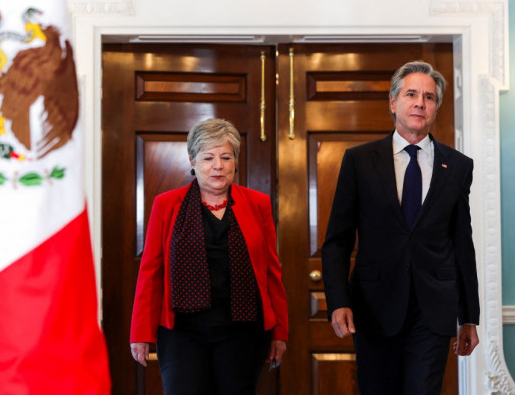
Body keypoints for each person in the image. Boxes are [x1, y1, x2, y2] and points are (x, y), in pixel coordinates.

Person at [321, 60, 480, 394]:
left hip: (433, 312)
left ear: (435, 108)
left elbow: (462, 243)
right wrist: (337, 301)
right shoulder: (360, 161)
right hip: (374, 308)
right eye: (411, 94)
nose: (420, 102)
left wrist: (469, 317)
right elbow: (337, 240)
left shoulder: (458, 166)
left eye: (429, 97)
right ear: (393, 103)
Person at [129, 118, 288, 395]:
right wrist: (140, 334)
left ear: (235, 161)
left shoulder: (257, 204)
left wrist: (279, 332)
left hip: (243, 332)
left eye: (226, 157)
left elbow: (271, 272)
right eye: (208, 158)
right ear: (192, 160)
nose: (218, 166)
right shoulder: (166, 205)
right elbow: (150, 272)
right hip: (183, 333)